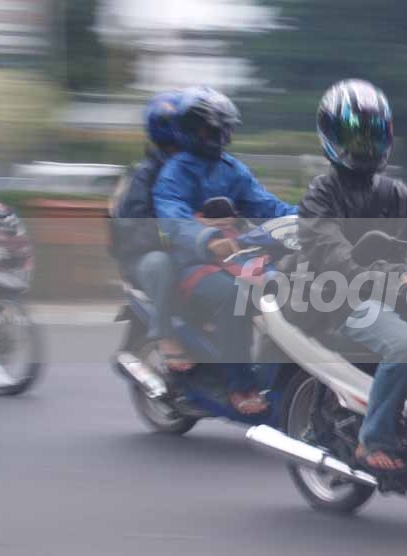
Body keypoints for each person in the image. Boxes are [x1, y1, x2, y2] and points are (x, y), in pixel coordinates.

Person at [292, 79, 407, 472]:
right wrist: (390, 279)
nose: (364, 145)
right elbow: (339, 263)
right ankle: (372, 441)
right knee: (404, 345)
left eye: (372, 135)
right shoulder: (320, 197)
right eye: (353, 136)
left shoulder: (394, 192)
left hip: (397, 291)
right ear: (331, 137)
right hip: (341, 300)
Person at [153, 86, 297, 415]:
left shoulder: (232, 169)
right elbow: (173, 219)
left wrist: (312, 215)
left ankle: (279, 375)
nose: (218, 135)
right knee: (234, 297)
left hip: (236, 257)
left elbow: (267, 206)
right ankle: (240, 385)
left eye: (223, 128)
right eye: (210, 129)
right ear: (190, 130)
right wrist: (208, 239)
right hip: (191, 263)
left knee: (287, 287)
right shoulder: (175, 173)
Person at [109, 90, 192, 371]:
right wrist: (181, 233)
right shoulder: (144, 176)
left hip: (191, 251)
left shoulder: (199, 170)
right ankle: (165, 335)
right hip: (145, 257)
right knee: (161, 264)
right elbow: (132, 231)